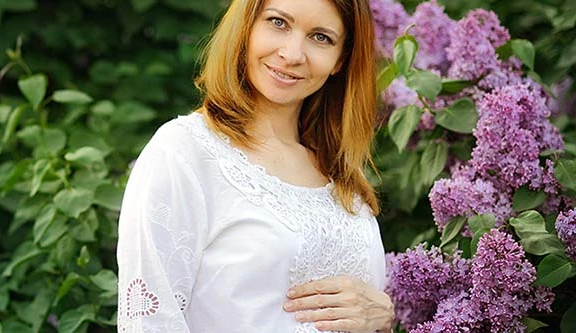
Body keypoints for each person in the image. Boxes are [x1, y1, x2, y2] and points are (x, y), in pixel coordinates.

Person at [115, 0, 395, 331]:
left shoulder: (342, 172)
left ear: (340, 60)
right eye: (278, 23)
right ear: (247, 26)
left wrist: (383, 317)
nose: (292, 54)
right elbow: (150, 321)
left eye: (320, 37)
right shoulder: (184, 152)